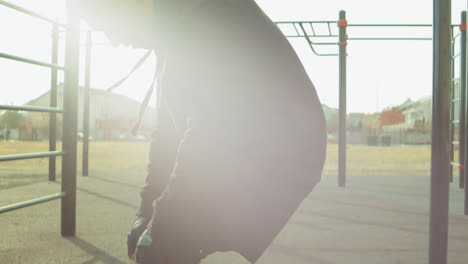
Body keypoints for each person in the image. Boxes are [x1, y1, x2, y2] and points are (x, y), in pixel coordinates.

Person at [76, 0, 327, 263]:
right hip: (246, 145)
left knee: (169, 243)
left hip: (278, 147)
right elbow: (168, 133)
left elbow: (211, 131)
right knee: (169, 242)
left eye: (105, 24)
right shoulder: (171, 31)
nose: (113, 40)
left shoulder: (205, 16)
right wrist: (147, 209)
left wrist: (165, 223)